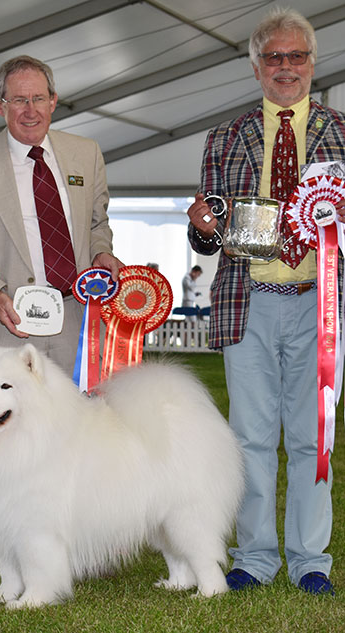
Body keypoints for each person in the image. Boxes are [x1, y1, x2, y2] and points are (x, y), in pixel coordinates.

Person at [187, 7, 345, 595]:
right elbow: (209, 231)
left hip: (321, 306)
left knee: (312, 437)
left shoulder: (342, 132)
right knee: (249, 437)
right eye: (274, 57)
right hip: (248, 299)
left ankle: (309, 559)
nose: (286, 67)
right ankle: (254, 557)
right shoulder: (224, 137)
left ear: (312, 63)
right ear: (256, 67)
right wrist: (202, 225)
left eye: (296, 56)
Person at [0, 55, 122, 374]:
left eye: (39, 98)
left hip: (78, 325)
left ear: (53, 101)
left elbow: (97, 225)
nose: (30, 110)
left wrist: (101, 252)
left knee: (84, 423)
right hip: (6, 328)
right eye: (19, 100)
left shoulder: (87, 154)